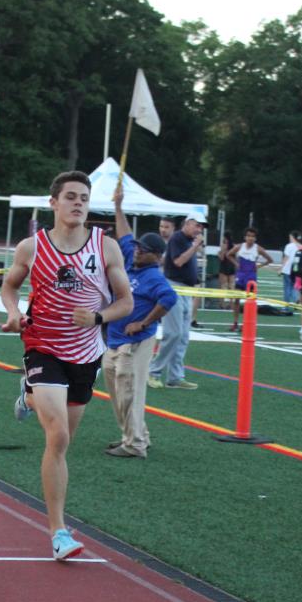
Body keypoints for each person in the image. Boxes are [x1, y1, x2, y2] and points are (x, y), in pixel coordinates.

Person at [1, 170, 132, 560]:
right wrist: (13, 313)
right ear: (53, 202)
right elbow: (10, 286)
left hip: (86, 355)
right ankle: (59, 532)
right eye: (71, 196)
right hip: (43, 347)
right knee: (56, 436)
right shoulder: (32, 247)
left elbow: (125, 302)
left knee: (64, 442)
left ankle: (28, 395)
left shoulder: (106, 247)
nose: (78, 203)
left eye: (84, 198)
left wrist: (97, 318)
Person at [103, 184, 179, 457]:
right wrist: (118, 206)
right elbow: (124, 233)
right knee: (118, 393)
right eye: (138, 247)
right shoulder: (129, 259)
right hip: (115, 339)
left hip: (134, 342)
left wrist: (144, 323)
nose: (137, 251)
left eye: (144, 250)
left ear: (156, 257)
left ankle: (134, 445)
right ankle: (135, 435)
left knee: (130, 393)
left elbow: (169, 299)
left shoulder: (154, 277)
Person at [147, 212, 206, 391]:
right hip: (174, 289)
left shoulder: (187, 240)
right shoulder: (178, 239)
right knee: (173, 333)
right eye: (197, 225)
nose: (199, 229)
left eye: (201, 226)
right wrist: (195, 247)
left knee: (183, 336)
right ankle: (153, 372)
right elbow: (178, 262)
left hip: (185, 290)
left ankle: (175, 377)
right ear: (187, 224)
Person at [228, 227, 271, 332]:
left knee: (250, 301)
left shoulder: (258, 248)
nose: (250, 238)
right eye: (248, 236)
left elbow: (270, 259)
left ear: (255, 238)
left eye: (252, 236)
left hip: (251, 277)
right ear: (245, 237)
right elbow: (228, 255)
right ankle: (235, 323)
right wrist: (236, 264)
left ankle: (246, 324)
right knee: (236, 299)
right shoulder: (239, 247)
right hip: (241, 275)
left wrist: (259, 266)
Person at [280, 231, 302, 310]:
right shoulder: (301, 246)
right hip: (297, 270)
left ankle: (285, 306)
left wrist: (281, 268)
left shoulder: (289, 246)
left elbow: (286, 258)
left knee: (287, 288)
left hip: (287, 269)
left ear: (293, 237)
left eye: (290, 237)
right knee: (295, 287)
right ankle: (296, 299)